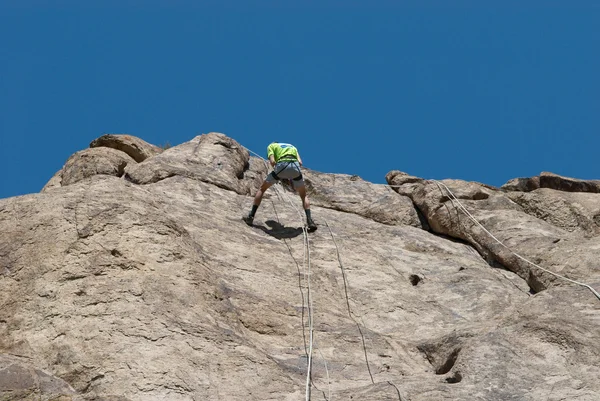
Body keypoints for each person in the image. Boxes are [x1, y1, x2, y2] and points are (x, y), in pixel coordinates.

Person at [243, 142, 317, 231]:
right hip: (295, 167)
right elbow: (300, 162)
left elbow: (272, 161)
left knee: (262, 189)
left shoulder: (271, 146)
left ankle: (251, 216)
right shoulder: (292, 146)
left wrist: (280, 174)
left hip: (282, 165)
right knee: (303, 195)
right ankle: (310, 221)